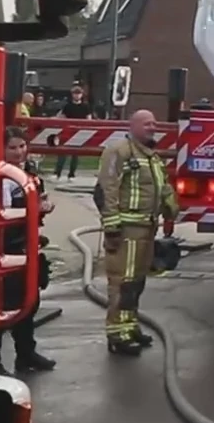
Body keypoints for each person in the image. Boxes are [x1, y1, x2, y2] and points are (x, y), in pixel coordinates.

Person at [95, 109, 177, 356]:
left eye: (154, 122)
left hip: (146, 228)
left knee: (137, 282)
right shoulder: (119, 152)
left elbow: (162, 186)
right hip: (126, 231)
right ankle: (116, 334)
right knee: (122, 282)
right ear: (133, 126)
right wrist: (112, 227)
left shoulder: (152, 156)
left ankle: (130, 327)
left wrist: (171, 206)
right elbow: (106, 190)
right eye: (147, 123)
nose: (153, 127)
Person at [0, 126, 56, 374]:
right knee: (2, 304)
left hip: (28, 244)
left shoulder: (30, 173)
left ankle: (26, 354)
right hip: (4, 247)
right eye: (12, 147)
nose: (18, 152)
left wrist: (43, 206)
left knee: (29, 301)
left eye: (22, 146)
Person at [56, 81, 94, 178]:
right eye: (75, 94)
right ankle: (58, 172)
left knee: (75, 154)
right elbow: (62, 117)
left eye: (78, 94)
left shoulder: (86, 106)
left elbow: (88, 119)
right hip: (67, 131)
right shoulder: (67, 106)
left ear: (81, 95)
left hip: (79, 131)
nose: (77, 96)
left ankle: (72, 173)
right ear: (72, 95)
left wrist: (86, 129)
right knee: (63, 152)